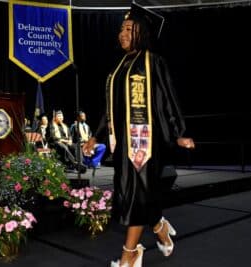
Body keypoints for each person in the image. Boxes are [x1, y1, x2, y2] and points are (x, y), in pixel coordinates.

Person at [100, 3, 195, 267]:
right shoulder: (118, 67)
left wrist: (179, 132)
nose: (122, 34)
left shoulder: (153, 61)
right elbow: (110, 109)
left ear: (141, 31)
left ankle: (130, 253)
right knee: (131, 194)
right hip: (122, 144)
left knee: (134, 196)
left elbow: (168, 99)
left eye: (128, 28)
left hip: (145, 142)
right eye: (121, 29)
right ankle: (160, 226)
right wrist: (96, 136)